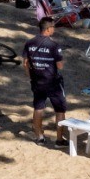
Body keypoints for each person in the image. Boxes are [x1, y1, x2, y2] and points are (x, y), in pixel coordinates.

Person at [23, 17, 68, 146]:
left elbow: (25, 63)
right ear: (48, 29)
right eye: (53, 27)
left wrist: (30, 76)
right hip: (53, 82)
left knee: (38, 108)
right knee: (60, 110)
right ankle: (59, 139)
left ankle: (39, 137)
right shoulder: (54, 45)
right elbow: (59, 66)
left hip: (37, 81)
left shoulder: (30, 43)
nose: (54, 30)